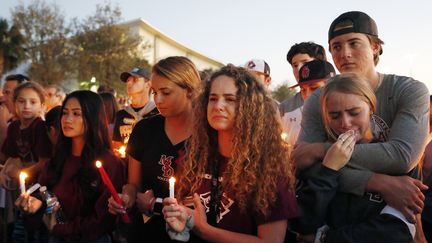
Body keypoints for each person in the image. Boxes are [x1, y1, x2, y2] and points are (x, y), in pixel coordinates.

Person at [293, 10, 429, 225]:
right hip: (338, 216)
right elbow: (302, 163)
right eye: (336, 46)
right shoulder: (318, 100)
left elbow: (402, 156)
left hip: (396, 216)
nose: (344, 53)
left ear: (375, 46)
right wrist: (377, 181)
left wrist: (322, 150)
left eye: (354, 43)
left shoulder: (408, 90)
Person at [162, 65, 299, 242]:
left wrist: (204, 229)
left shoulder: (269, 169)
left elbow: (270, 241)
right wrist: (180, 220)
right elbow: (188, 213)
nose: (218, 106)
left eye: (230, 99)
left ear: (249, 107)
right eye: (213, 99)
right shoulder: (193, 157)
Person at [295, 74, 415, 242]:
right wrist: (328, 170)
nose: (345, 123)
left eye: (354, 112)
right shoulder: (320, 159)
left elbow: (396, 231)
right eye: (335, 116)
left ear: (371, 107)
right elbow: (304, 223)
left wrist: (323, 238)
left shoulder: (395, 161)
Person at [108, 56, 202, 242]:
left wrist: (155, 204)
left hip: (195, 233)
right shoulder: (144, 129)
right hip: (148, 230)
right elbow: (134, 184)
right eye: (154, 92)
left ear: (189, 90)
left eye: (166, 92)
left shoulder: (207, 135)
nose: (158, 99)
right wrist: (126, 198)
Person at [15, 90, 125, 243]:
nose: (67, 119)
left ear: (92, 118)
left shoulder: (109, 163)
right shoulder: (59, 158)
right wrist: (33, 204)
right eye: (65, 113)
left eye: (76, 114)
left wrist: (61, 228)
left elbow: (103, 220)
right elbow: (42, 191)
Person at [0, 81, 52, 243]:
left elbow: (44, 161)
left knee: (37, 228)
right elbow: (10, 156)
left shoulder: (40, 127)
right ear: (14, 104)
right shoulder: (14, 127)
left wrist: (25, 173)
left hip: (40, 187)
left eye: (33, 102)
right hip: (21, 186)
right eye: (21, 101)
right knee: (21, 227)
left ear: (42, 105)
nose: (26, 106)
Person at [281, 60, 335, 147]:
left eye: (314, 88)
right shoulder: (308, 117)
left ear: (332, 85)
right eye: (303, 90)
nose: (308, 95)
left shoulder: (347, 113)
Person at [112, 67, 158, 148]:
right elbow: (117, 144)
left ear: (148, 84)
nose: (129, 83)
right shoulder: (121, 114)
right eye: (128, 80)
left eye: (135, 80)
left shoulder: (158, 113)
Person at [279, 42, 327, 116]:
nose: (299, 69)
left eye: (305, 63)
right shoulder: (284, 109)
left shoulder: (341, 98)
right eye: (295, 65)